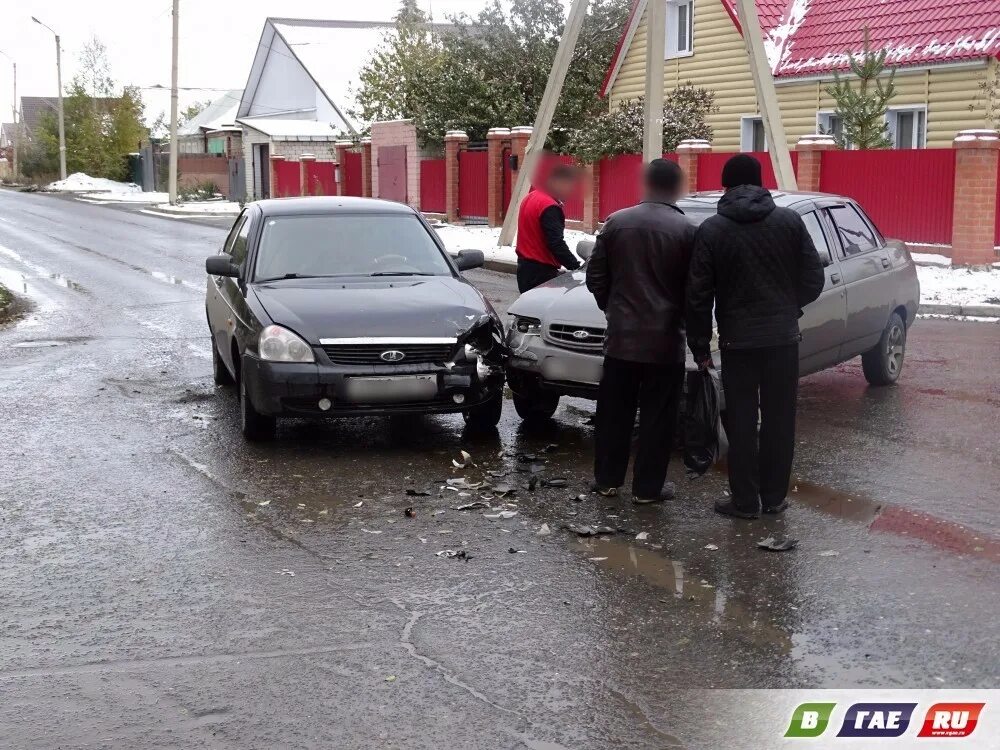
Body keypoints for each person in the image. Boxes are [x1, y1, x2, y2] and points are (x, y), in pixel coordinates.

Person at [685, 154, 825, 519]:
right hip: (783, 340)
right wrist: (789, 309)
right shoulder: (789, 222)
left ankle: (745, 501)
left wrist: (699, 346)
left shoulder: (713, 230)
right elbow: (814, 278)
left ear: (726, 186)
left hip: (737, 343)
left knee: (741, 422)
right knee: (780, 419)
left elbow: (698, 295)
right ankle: (774, 498)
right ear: (761, 183)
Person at [586, 159, 695, 503]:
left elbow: (595, 277)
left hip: (621, 340)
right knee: (658, 418)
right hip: (666, 343)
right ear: (676, 188)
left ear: (647, 184)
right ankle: (647, 489)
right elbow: (695, 289)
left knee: (613, 413)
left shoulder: (617, 222)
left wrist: (614, 311)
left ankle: (607, 480)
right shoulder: (688, 231)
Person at [515, 164, 582, 293]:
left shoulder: (531, 197)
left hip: (525, 269)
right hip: (541, 274)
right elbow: (556, 243)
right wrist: (575, 266)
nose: (570, 191)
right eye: (569, 185)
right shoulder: (550, 207)